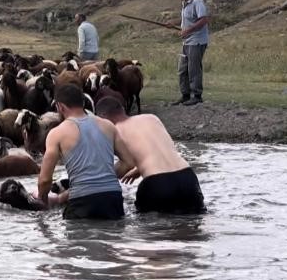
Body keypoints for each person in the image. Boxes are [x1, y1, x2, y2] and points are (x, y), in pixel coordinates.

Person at [34, 84, 136, 220]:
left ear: (60, 106)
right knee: (112, 238)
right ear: (83, 102)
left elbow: (45, 180)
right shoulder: (108, 126)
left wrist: (43, 201)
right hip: (113, 198)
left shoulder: (56, 134)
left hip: (82, 200)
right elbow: (129, 162)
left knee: (79, 240)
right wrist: (104, 177)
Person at [95, 97, 206, 214]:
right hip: (187, 177)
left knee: (151, 228)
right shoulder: (151, 118)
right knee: (193, 224)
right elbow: (162, 149)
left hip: (157, 183)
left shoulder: (114, 131)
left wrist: (100, 179)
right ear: (122, 109)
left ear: (102, 117)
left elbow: (126, 165)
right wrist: (139, 167)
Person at [171, 0, 209, 106]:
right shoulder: (184, 3)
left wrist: (188, 31)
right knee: (182, 69)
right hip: (187, 42)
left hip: (197, 41)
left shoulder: (197, 2)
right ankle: (185, 95)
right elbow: (186, 19)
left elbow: (203, 20)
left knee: (193, 69)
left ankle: (197, 96)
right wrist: (173, 24)